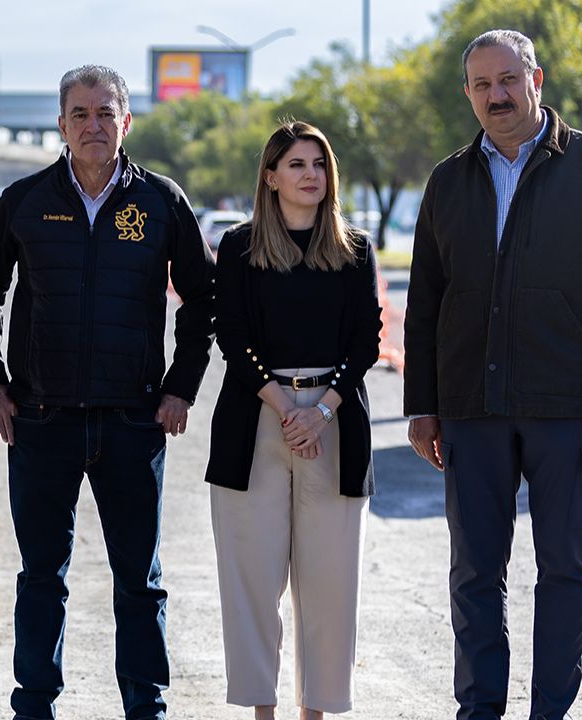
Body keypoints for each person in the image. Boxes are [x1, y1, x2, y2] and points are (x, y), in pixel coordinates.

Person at [0, 64, 215, 720]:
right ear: (61, 125)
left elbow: (204, 299)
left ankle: (146, 707)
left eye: (106, 113)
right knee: (41, 579)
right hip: (41, 421)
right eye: (79, 114)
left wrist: (181, 388)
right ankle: (34, 706)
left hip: (133, 423)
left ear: (126, 122)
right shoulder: (25, 200)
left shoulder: (161, 201)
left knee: (140, 582)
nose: (93, 125)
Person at [404, 29, 582, 720]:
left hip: (566, 404)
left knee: (566, 567)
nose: (496, 95)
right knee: (476, 571)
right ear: (468, 94)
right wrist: (422, 403)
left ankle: (550, 710)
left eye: (508, 80)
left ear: (537, 80)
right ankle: (479, 707)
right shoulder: (449, 180)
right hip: (472, 406)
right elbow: (426, 298)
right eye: (482, 84)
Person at [205, 121, 381, 719]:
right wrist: (286, 410)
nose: (311, 175)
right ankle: (263, 711)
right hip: (255, 423)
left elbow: (366, 341)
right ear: (271, 176)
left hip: (334, 426)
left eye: (319, 164)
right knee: (252, 582)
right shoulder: (238, 246)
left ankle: (318, 710)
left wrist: (321, 411)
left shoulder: (354, 249)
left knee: (330, 586)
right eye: (298, 164)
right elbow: (231, 333)